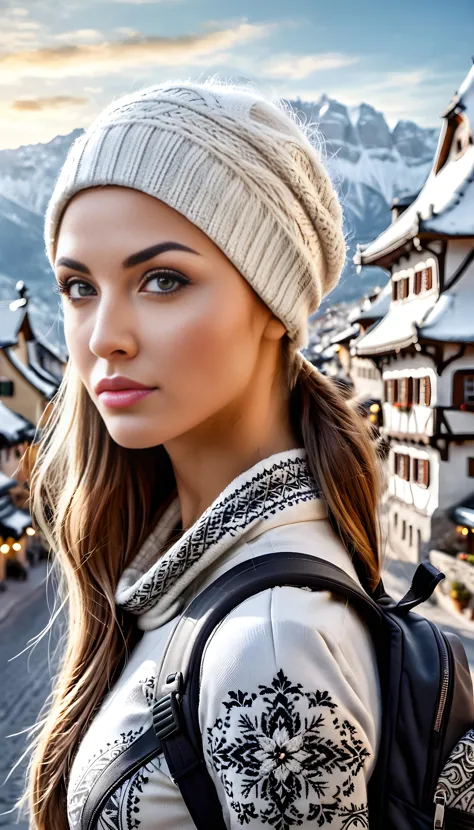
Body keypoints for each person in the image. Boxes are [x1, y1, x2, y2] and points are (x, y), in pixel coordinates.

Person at [23, 80, 382, 830]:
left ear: (272, 306)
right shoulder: (184, 571)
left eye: (163, 280)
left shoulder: (275, 642)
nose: (102, 338)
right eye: (79, 286)